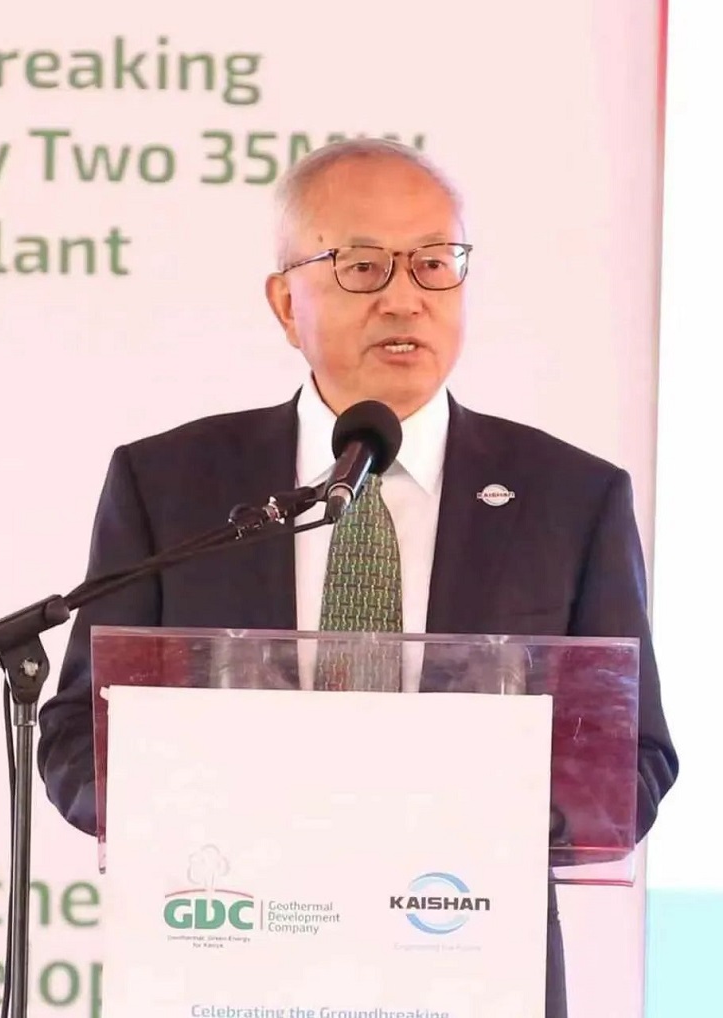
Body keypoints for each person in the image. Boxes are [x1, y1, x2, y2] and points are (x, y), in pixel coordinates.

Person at [37, 138, 678, 1017]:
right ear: (284, 301)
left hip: (470, 963)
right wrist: (214, 811)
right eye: (364, 266)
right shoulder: (173, 485)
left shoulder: (572, 497)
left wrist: (456, 817)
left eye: (433, 263)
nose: (405, 297)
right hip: (227, 959)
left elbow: (634, 762)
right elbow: (79, 739)